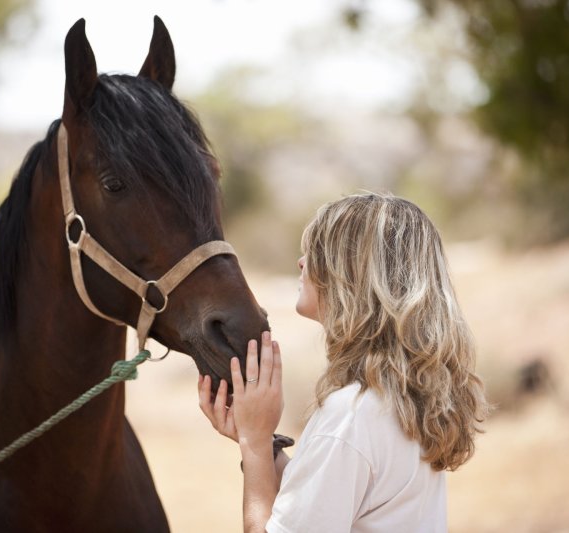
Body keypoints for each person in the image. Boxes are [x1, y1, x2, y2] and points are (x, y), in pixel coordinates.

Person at [198, 192, 488, 532]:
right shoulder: (399, 401)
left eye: (317, 252)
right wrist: (261, 439)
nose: (301, 262)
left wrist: (255, 445)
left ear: (351, 274)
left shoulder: (350, 416)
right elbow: (323, 503)